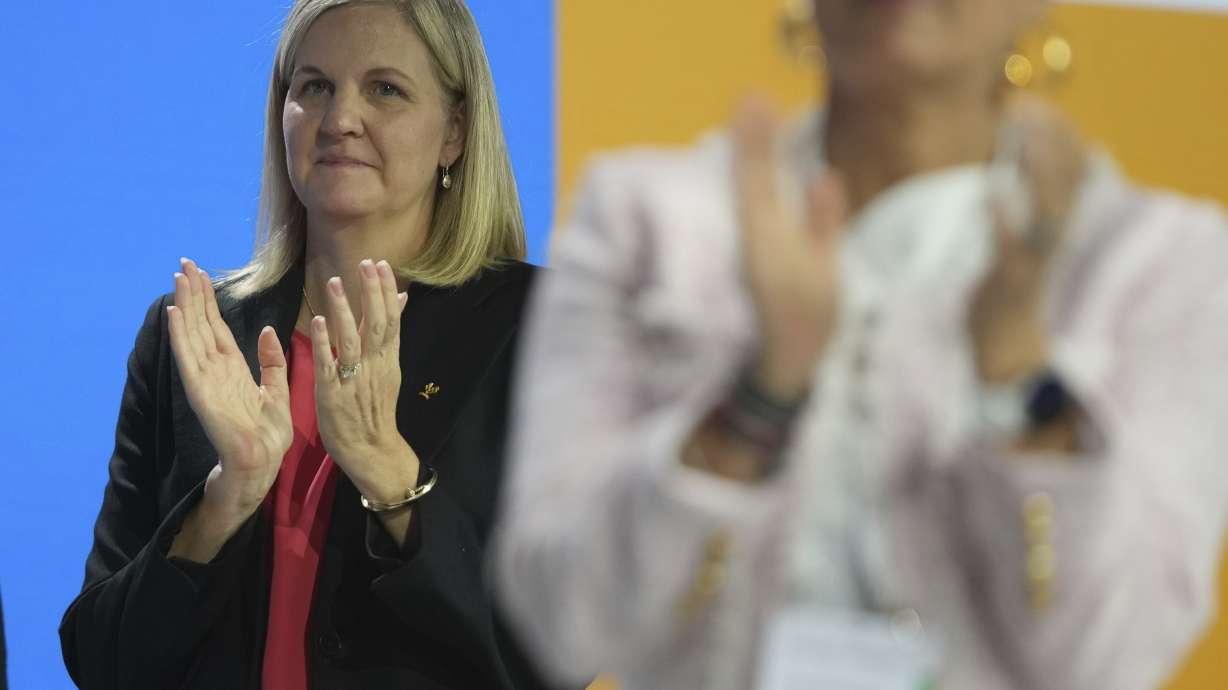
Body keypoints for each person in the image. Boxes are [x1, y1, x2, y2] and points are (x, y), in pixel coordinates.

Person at [494, 1, 1228, 689]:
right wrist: (761, 397)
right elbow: (567, 623)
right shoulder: (646, 218)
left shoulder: (1154, 258)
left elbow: (1115, 656)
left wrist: (1018, 373)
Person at [60, 2, 552, 688]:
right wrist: (225, 499)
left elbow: (552, 658)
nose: (340, 118)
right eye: (314, 86)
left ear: (456, 132)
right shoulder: (190, 333)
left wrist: (392, 477)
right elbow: (101, 661)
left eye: (385, 88)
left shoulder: (542, 331)